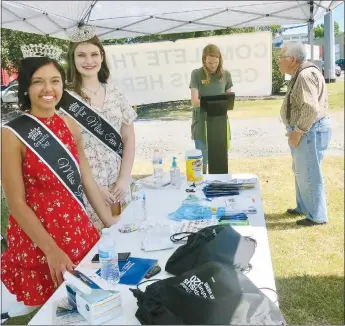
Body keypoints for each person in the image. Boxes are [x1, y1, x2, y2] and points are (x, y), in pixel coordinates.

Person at [1, 45, 118, 309]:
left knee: (91, 304)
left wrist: (110, 222)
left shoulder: (69, 124)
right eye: (38, 82)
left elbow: (86, 180)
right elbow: (16, 203)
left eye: (55, 81)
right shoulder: (12, 133)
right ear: (26, 88)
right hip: (39, 239)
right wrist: (51, 250)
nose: (48, 89)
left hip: (76, 229)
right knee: (55, 311)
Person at [64, 26, 137, 233]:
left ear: (102, 57)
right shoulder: (64, 99)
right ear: (73, 59)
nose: (89, 61)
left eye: (94, 54)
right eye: (81, 55)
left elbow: (128, 138)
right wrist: (95, 189)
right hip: (85, 185)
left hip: (118, 184)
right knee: (96, 249)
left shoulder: (116, 93)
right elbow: (66, 149)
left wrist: (123, 179)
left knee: (125, 239)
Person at [278, 41, 332, 226]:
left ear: (292, 59)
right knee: (302, 171)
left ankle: (316, 216)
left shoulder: (305, 75)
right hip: (309, 131)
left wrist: (298, 132)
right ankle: (303, 207)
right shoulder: (301, 72)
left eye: (281, 58)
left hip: (308, 131)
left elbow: (310, 107)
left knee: (309, 172)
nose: (278, 62)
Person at [189, 44, 233, 173]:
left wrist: (214, 104)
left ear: (220, 60)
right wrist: (214, 103)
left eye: (216, 62)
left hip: (219, 123)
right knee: (201, 163)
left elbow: (228, 101)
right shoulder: (196, 74)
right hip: (202, 123)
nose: (213, 66)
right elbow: (194, 101)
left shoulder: (226, 75)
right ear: (204, 60)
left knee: (219, 163)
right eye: (209, 63)